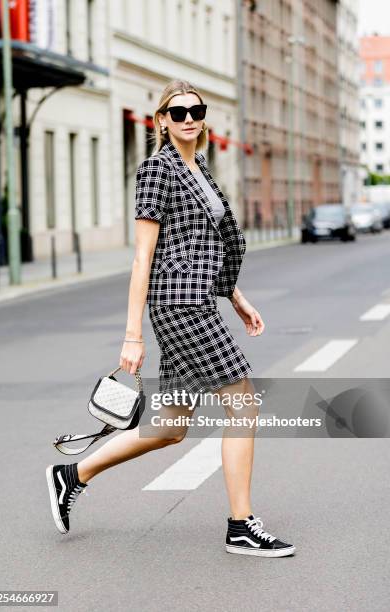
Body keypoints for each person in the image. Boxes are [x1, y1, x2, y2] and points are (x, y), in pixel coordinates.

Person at [46, 79, 295, 558]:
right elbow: (144, 257)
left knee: (171, 426)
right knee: (243, 402)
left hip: (200, 298)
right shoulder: (156, 170)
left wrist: (235, 296)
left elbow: (204, 247)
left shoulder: (199, 166)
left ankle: (72, 474)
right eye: (176, 113)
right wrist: (132, 335)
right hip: (179, 307)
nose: (187, 119)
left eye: (195, 110)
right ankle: (241, 525)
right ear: (160, 120)